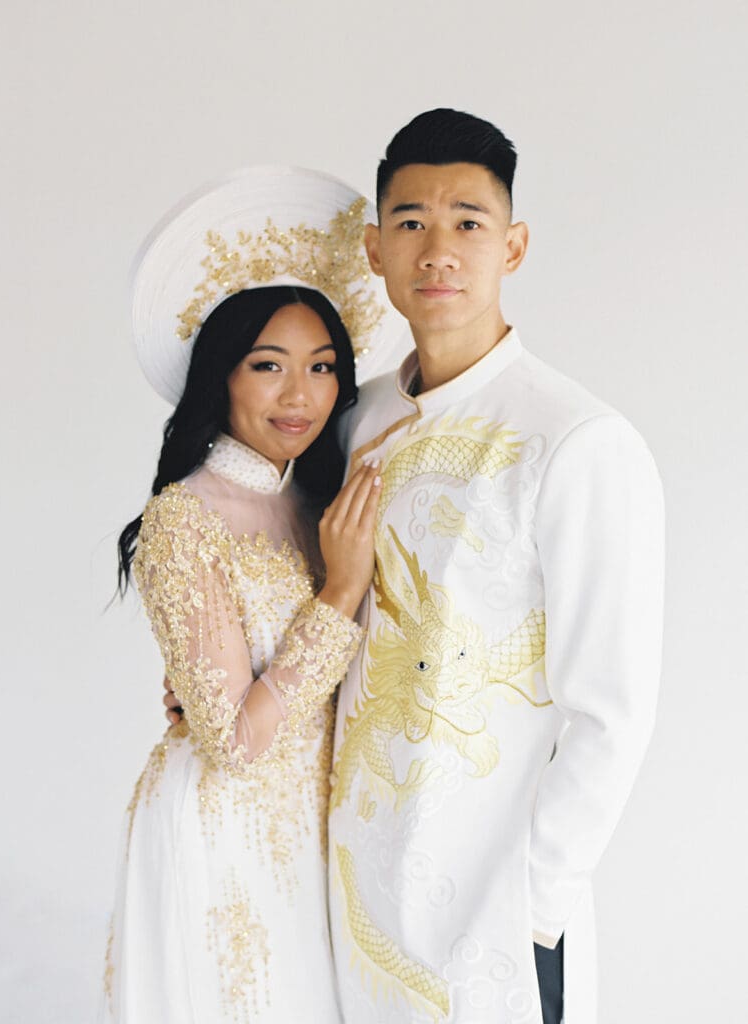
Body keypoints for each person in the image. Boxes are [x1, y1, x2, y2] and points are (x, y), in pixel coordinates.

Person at [323, 110, 665, 1024]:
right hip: (347, 890)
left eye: (468, 223)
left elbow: (611, 710)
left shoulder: (575, 440)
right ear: (374, 247)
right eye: (411, 223)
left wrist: (535, 912)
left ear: (512, 247)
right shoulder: (348, 423)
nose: (438, 250)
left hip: (491, 922)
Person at [102, 167, 410, 1024]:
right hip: (226, 831)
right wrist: (340, 590)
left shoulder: (323, 499)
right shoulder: (182, 520)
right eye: (267, 365)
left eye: (320, 367)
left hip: (326, 822)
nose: (298, 394)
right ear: (221, 376)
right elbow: (234, 741)